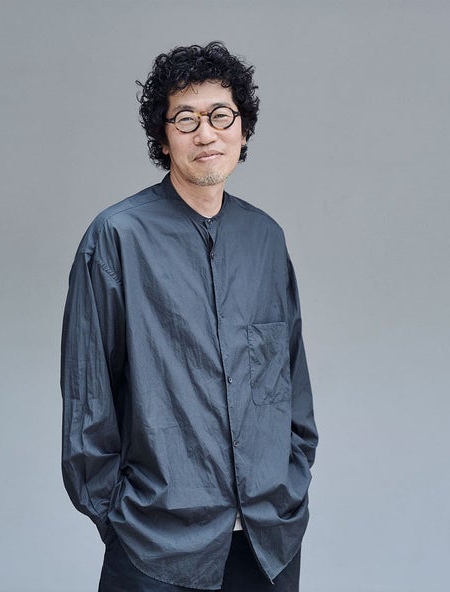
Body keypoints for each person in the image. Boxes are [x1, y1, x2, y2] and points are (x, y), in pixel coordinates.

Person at [61, 41, 318, 592]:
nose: (206, 133)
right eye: (186, 119)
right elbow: (87, 396)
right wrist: (119, 519)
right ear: (163, 138)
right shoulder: (116, 238)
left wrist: (291, 480)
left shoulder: (266, 239)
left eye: (221, 115)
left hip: (267, 540)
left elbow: (291, 382)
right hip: (155, 545)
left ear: (242, 129)